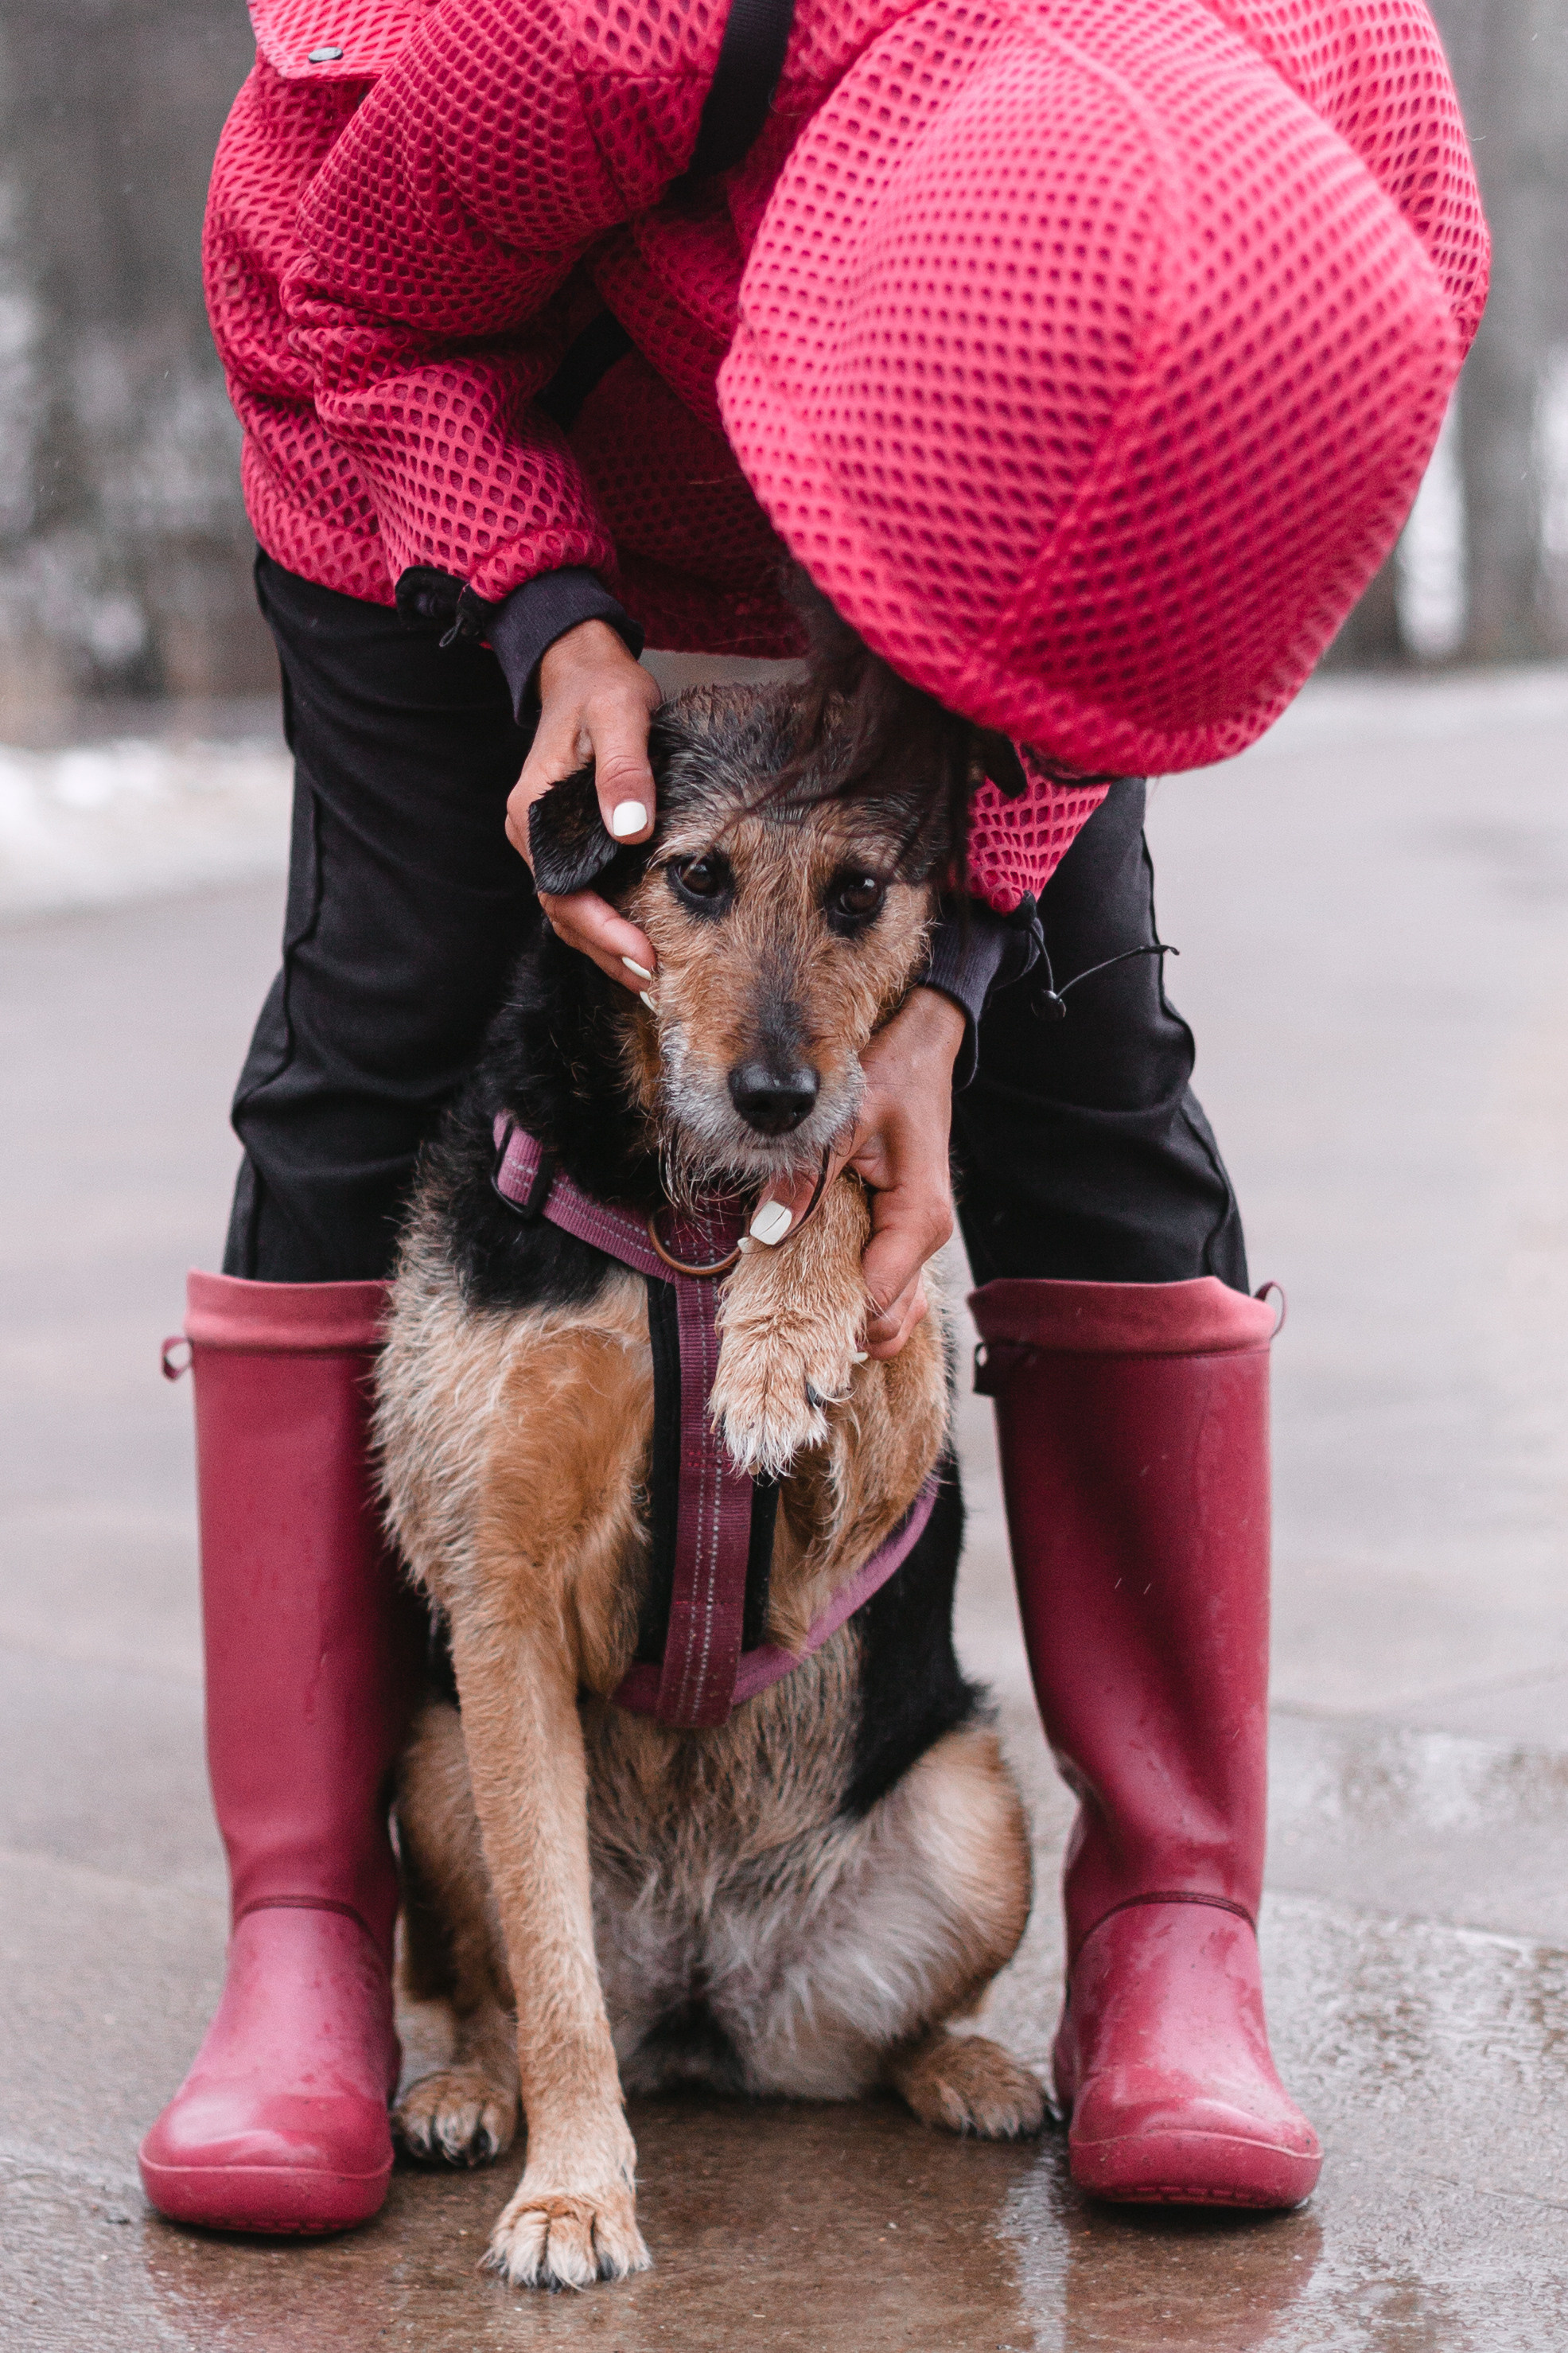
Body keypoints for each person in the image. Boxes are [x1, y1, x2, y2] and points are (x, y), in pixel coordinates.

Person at [138, 0, 1486, 2234]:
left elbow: (1089, 652)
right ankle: (307, 1925)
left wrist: (949, 984)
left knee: (1095, 1072)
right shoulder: (607, 29)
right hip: (446, 373)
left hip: (1033, 468)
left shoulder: (1354, 153)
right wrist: (551, 616)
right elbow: (352, 302)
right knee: (381, 1023)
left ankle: (1172, 1929)